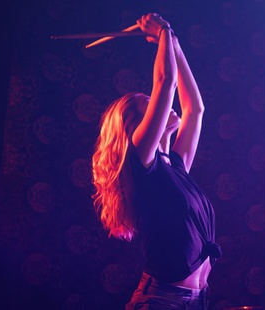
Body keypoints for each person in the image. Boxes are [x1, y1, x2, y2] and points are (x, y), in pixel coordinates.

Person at [91, 13, 221, 310]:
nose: (159, 104)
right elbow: (166, 82)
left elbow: (196, 109)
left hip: (197, 301)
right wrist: (162, 31)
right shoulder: (140, 161)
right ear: (138, 125)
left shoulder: (174, 166)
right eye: (149, 104)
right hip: (162, 301)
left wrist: (174, 45)